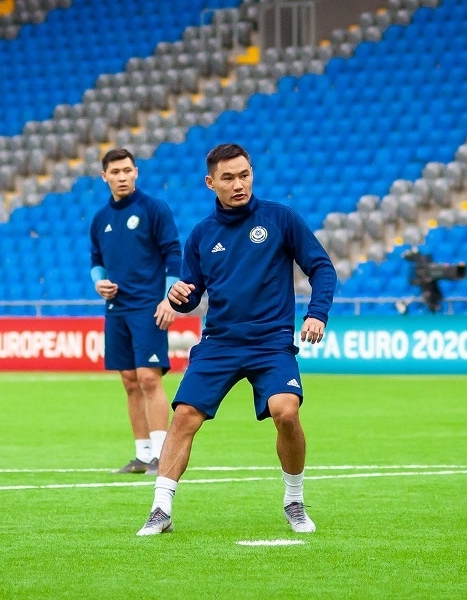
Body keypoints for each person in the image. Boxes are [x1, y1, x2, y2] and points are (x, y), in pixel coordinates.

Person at [136, 143, 336, 536]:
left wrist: (317, 313)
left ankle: (294, 500)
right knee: (184, 416)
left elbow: (322, 268)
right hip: (219, 342)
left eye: (244, 175)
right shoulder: (202, 234)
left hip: (271, 342)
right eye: (227, 178)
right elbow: (192, 291)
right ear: (211, 183)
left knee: (286, 411)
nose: (238, 184)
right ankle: (161, 509)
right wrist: (179, 295)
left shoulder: (280, 219)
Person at [89, 148, 182, 476]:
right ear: (104, 176)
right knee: (129, 381)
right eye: (115, 172)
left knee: (148, 378)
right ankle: (142, 456)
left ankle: (161, 455)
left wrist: (169, 299)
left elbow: (173, 253)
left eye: (127, 170)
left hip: (148, 306)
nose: (122, 177)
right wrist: (99, 282)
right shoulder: (100, 218)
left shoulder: (153, 208)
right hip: (116, 309)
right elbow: (96, 260)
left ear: (136, 172)